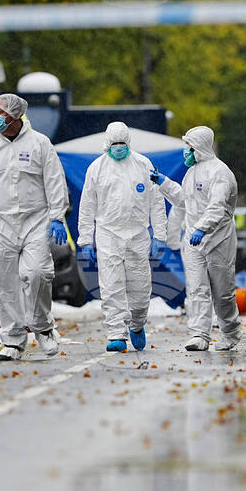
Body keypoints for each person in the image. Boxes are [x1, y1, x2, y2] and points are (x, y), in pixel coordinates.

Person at [0, 93, 69, 361]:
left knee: (38, 274)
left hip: (35, 220)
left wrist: (57, 216)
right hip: (0, 223)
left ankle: (44, 329)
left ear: (13, 115)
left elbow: (55, 180)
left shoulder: (40, 144)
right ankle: (13, 340)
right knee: (4, 282)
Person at [150, 126, 242, 351]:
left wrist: (203, 228)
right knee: (196, 288)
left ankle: (230, 332)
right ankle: (199, 334)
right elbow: (184, 201)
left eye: (188, 147)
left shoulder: (220, 172)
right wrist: (164, 183)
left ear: (199, 147)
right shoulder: (191, 172)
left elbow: (218, 206)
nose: (185, 152)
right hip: (193, 241)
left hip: (218, 239)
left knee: (223, 291)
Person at [77, 122, 167, 352]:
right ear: (107, 143)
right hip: (108, 232)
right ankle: (116, 333)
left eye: (122, 144)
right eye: (115, 144)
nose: (119, 148)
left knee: (140, 287)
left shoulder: (143, 164)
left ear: (129, 143)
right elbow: (87, 206)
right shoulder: (97, 168)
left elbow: (156, 202)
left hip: (138, 233)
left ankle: (137, 324)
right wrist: (86, 239)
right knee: (111, 285)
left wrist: (160, 234)